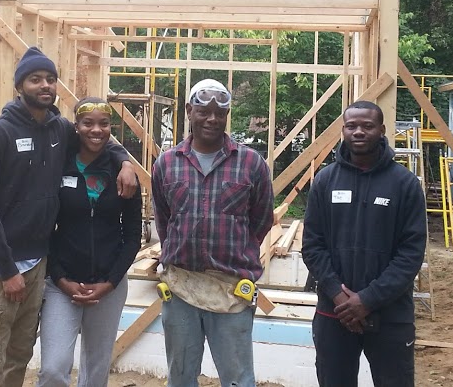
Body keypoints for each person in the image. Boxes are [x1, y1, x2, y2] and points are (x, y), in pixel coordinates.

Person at [0, 47, 137, 387]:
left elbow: (98, 135)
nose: (44, 85)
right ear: (19, 86)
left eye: (50, 79)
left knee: (18, 354)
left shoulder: (59, 131)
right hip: (0, 268)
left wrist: (126, 160)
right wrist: (7, 269)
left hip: (37, 265)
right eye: (35, 79)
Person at [151, 79, 273, 387]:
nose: (212, 119)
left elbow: (261, 221)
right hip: (181, 288)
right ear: (190, 111)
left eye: (220, 113)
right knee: (180, 377)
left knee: (238, 380)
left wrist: (236, 252)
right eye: (203, 111)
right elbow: (165, 222)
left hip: (231, 289)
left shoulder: (251, 163)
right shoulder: (167, 164)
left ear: (227, 114)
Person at [301, 100, 426, 387]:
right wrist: (339, 295)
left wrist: (367, 300)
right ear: (343, 130)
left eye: (367, 126)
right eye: (351, 126)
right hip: (334, 313)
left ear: (381, 130)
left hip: (390, 315)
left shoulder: (404, 184)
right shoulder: (325, 181)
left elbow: (410, 254)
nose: (359, 131)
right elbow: (312, 245)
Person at [37, 97, 143, 387]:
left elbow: (133, 234)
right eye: (88, 123)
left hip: (108, 287)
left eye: (104, 123)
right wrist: (59, 278)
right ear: (76, 126)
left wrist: (110, 282)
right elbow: (44, 226)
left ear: (111, 127)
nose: (96, 130)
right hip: (62, 286)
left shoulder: (124, 173)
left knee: (96, 372)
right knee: (53, 369)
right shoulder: (60, 165)